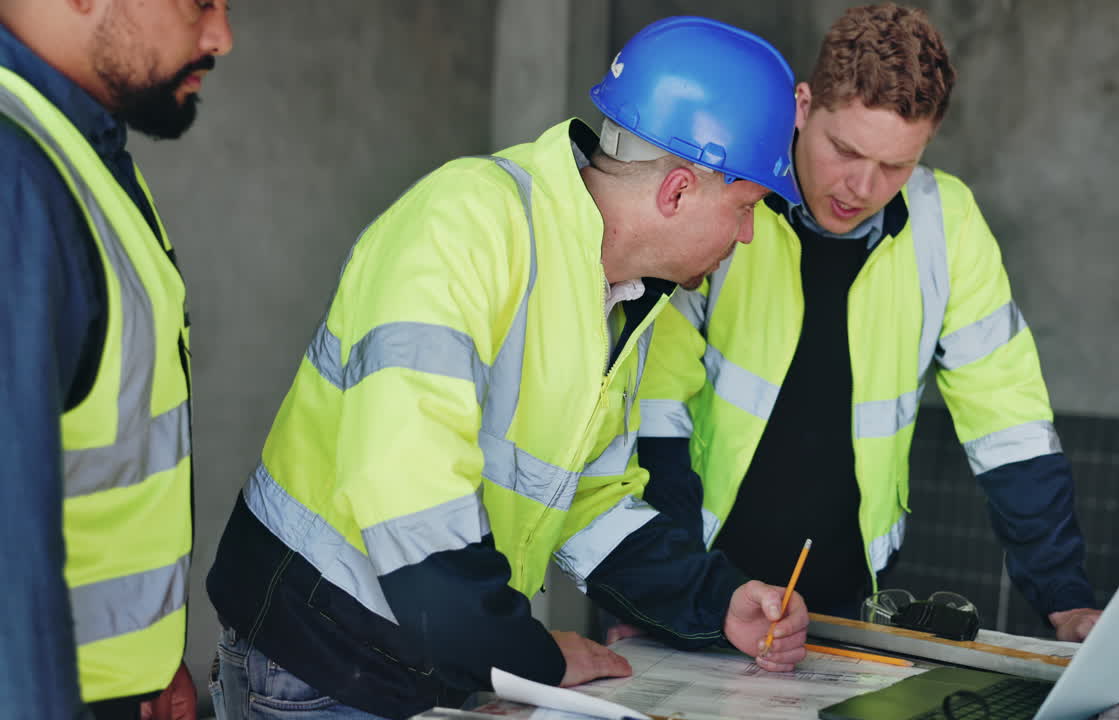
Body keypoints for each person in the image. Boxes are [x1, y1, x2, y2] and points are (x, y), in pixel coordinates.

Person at [204, 17, 810, 720]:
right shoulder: (465, 223)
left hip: (422, 662)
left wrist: (717, 601)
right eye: (744, 209)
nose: (745, 236)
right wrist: (528, 657)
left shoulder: (619, 294)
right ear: (677, 192)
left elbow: (589, 498)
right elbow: (408, 486)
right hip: (321, 662)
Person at [636, 3, 1109, 644]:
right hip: (701, 586)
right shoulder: (725, 198)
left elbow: (1009, 424)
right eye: (845, 150)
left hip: (854, 610)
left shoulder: (949, 225)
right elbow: (653, 408)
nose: (861, 185)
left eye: (895, 166)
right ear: (803, 107)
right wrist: (666, 593)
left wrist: (1066, 600)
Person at [0, 0, 233, 718]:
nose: (221, 35)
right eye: (199, 2)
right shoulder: (14, 179)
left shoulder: (69, 153)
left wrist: (148, 669)